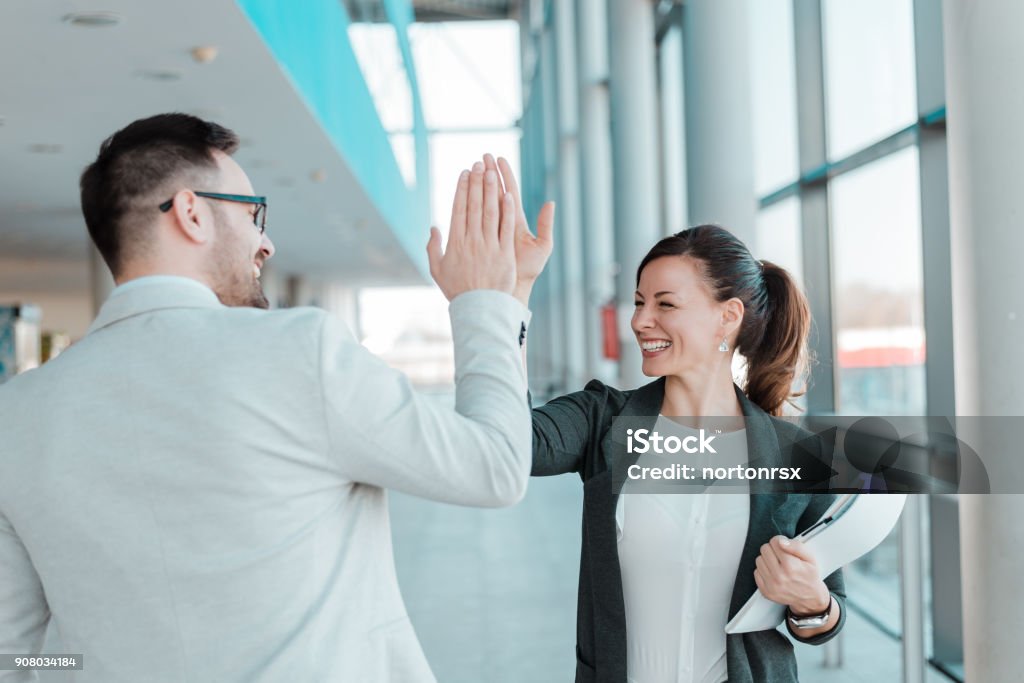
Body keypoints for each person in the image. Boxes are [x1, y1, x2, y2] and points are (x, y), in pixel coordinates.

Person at [0, 114, 553, 682]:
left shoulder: (16, 416)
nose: (267, 241)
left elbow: (14, 655)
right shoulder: (299, 352)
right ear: (191, 213)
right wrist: (488, 302)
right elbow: (494, 468)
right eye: (252, 213)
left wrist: (82, 666)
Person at [515, 222, 846, 683]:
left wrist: (813, 603)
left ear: (727, 317)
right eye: (638, 302)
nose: (639, 320)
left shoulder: (795, 454)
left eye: (664, 304)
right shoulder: (602, 421)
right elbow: (509, 444)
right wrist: (508, 306)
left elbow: (826, 615)